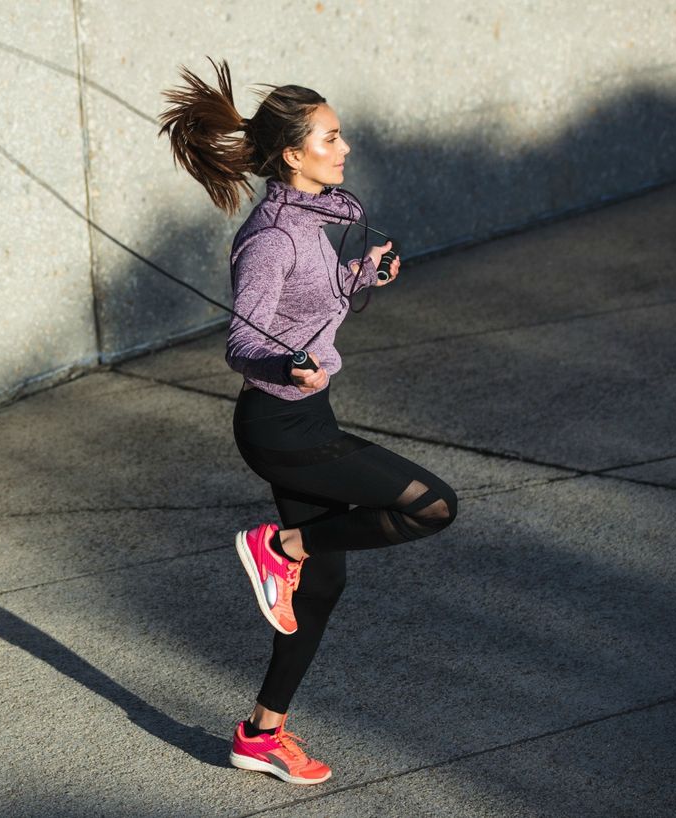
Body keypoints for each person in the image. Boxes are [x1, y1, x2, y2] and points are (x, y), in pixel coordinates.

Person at [159, 59, 457, 785]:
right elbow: (244, 340)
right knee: (432, 505)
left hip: (307, 414)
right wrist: (283, 364)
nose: (344, 147)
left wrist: (364, 277)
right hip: (281, 427)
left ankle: (262, 734)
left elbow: (321, 298)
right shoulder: (269, 239)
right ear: (294, 155)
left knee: (322, 591)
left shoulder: (331, 214)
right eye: (330, 137)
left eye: (341, 133)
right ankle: (280, 544)